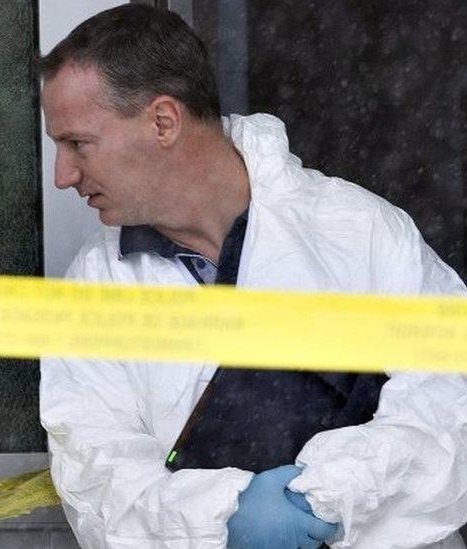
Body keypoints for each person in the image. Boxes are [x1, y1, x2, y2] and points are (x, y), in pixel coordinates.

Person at [38, 4, 467, 548]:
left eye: (77, 143)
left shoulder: (356, 230)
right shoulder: (95, 289)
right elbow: (96, 473)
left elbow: (452, 395)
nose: (62, 175)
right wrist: (224, 517)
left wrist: (325, 496)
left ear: (163, 121)